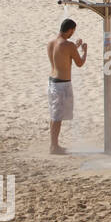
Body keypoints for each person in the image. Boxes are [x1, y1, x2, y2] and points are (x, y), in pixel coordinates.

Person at [47, 18, 87, 154]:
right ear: (70, 30)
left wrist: (75, 46)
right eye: (72, 32)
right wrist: (84, 51)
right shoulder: (68, 45)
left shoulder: (52, 43)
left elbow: (62, 54)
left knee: (54, 115)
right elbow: (80, 63)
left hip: (52, 81)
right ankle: (54, 146)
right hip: (62, 84)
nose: (72, 34)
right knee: (57, 116)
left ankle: (53, 144)